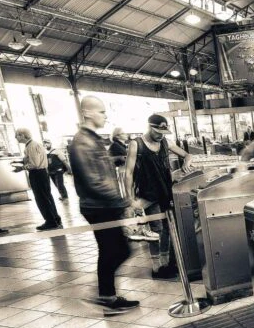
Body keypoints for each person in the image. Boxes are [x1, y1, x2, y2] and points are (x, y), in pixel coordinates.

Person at [69, 96, 141, 315]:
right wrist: (122, 202)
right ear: (87, 113)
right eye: (101, 111)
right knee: (118, 250)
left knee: (112, 250)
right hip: (98, 206)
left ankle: (106, 296)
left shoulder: (93, 139)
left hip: (103, 204)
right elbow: (93, 181)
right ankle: (103, 295)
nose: (105, 115)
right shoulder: (83, 142)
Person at [122, 115, 192, 279]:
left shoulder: (166, 143)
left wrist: (186, 163)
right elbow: (128, 173)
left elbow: (187, 155)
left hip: (166, 192)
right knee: (156, 230)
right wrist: (130, 199)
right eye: (158, 131)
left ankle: (165, 263)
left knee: (168, 229)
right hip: (148, 195)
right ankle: (156, 267)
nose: (161, 135)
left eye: (164, 131)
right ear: (149, 127)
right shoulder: (136, 144)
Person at [16, 128, 62, 231]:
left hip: (37, 174)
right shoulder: (33, 145)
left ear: (23, 135)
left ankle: (50, 221)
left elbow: (35, 164)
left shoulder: (31, 146)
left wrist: (22, 168)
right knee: (47, 197)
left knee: (41, 198)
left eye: (17, 135)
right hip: (42, 173)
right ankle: (55, 218)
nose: (16, 137)